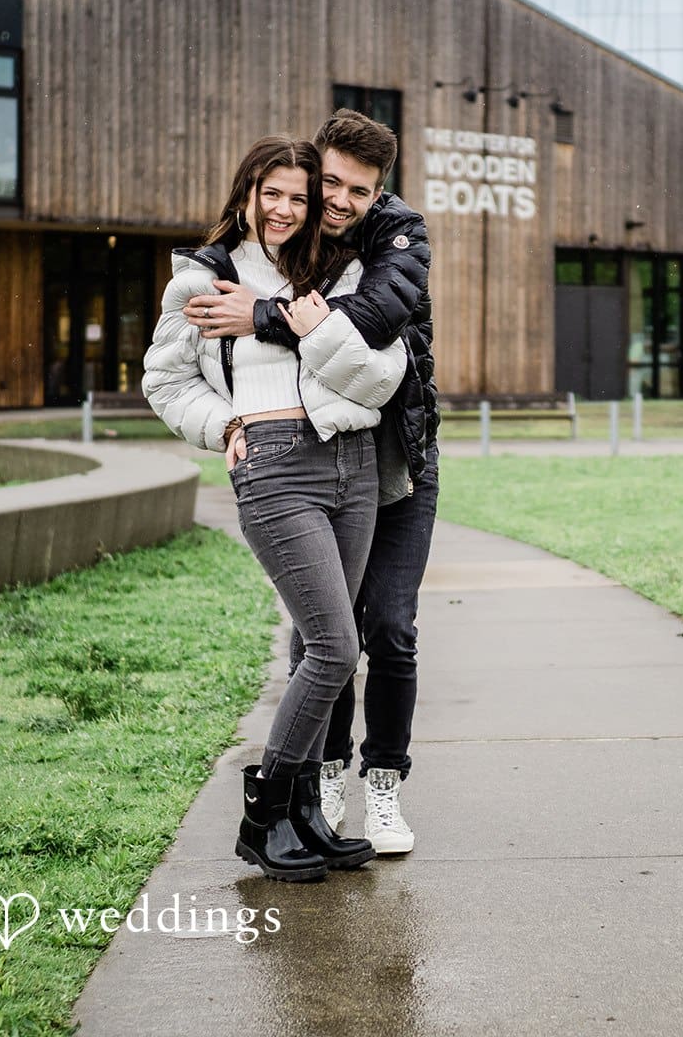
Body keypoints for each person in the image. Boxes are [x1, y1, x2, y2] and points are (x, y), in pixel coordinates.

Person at [143, 135, 408, 882]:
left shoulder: (342, 272)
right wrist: (221, 425)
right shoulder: (206, 276)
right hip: (274, 468)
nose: (288, 209)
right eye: (273, 194)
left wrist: (299, 322)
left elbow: (383, 377)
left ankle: (303, 818)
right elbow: (164, 382)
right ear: (246, 194)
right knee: (334, 648)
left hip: (352, 462)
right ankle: (263, 818)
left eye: (299, 196)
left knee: (328, 642)